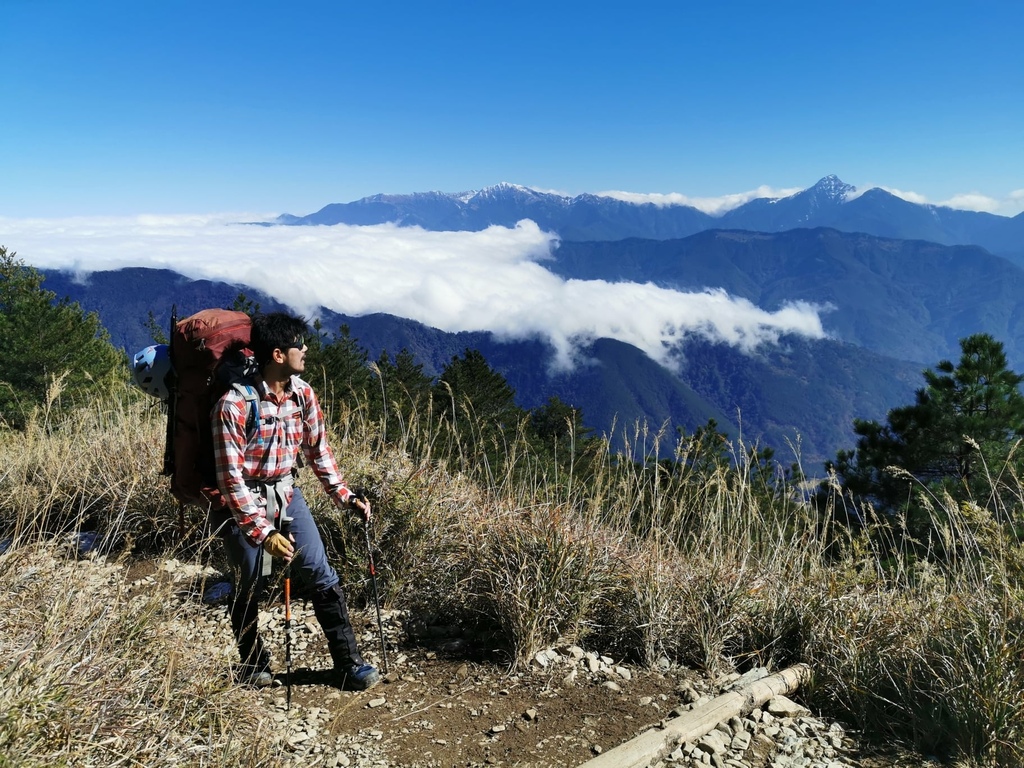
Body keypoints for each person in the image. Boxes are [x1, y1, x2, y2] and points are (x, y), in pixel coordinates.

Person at [212, 311, 380, 690]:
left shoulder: (302, 394)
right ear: (276, 355)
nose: (305, 350)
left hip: (287, 491)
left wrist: (345, 496)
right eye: (297, 346)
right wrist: (262, 531)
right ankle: (254, 663)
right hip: (245, 502)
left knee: (320, 572)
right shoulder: (234, 405)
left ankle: (349, 663)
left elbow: (318, 451)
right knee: (248, 582)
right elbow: (230, 478)